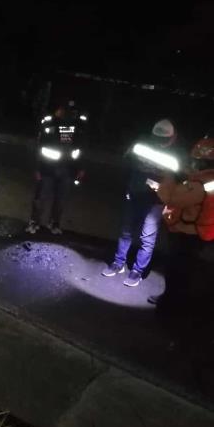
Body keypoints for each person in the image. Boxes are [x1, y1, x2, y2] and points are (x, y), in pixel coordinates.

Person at [153, 137, 214, 373]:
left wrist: (168, 175)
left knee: (177, 274)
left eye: (196, 159)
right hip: (201, 233)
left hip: (188, 234)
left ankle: (169, 317)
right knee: (187, 274)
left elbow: (170, 197)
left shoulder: (200, 185)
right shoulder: (206, 181)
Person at [101, 119, 184, 287]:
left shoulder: (175, 156)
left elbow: (176, 180)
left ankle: (137, 271)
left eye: (164, 139)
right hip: (136, 194)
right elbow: (128, 165)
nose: (160, 142)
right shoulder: (141, 147)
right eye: (158, 139)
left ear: (173, 138)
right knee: (126, 232)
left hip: (156, 201)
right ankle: (118, 263)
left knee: (147, 238)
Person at [26, 102, 87, 235]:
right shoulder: (49, 124)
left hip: (67, 169)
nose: (66, 113)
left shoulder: (77, 126)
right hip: (47, 168)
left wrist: (80, 168)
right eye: (63, 109)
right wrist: (37, 168)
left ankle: (54, 223)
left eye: (70, 111)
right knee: (41, 197)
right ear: (58, 110)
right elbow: (39, 147)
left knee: (61, 199)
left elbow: (80, 148)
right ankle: (34, 222)